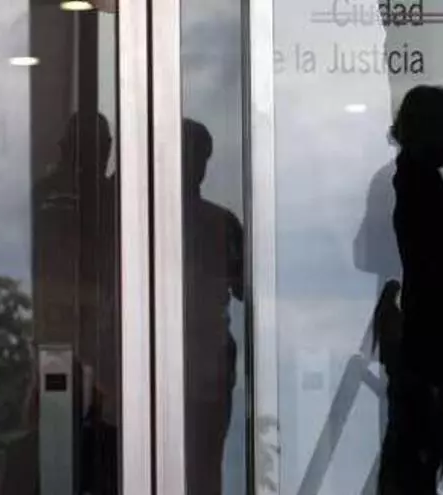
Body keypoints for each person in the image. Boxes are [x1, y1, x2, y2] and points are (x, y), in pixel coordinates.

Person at [378, 85, 443, 495]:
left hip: (425, 349)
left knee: (416, 461)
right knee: (416, 463)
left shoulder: (412, 182)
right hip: (425, 350)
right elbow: (439, 253)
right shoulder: (415, 186)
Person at [182, 118, 244, 495]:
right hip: (208, 359)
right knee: (204, 466)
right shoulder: (220, 223)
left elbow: (246, 286)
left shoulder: (132, 220)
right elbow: (246, 287)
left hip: (206, 359)